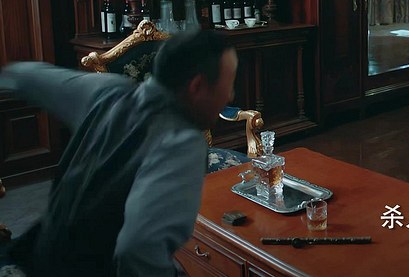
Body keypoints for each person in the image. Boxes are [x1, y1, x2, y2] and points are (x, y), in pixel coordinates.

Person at [0, 30, 237, 276]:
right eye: (229, 83)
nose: (231, 95)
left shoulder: (107, 90)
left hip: (37, 258)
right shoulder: (182, 142)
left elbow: (26, 75)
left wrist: (7, 74)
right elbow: (139, 249)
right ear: (197, 86)